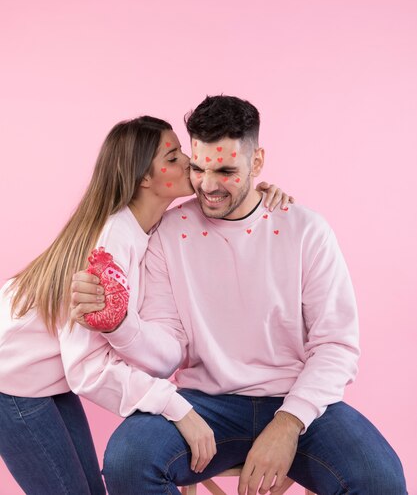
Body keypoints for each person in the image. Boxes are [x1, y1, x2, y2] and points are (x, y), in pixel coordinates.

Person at [71, 95, 407, 495]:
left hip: (296, 400)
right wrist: (122, 324)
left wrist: (288, 423)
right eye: (197, 167)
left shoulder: (306, 230)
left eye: (227, 170)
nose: (207, 186)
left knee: (381, 480)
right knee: (128, 460)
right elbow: (168, 349)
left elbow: (336, 345)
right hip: (205, 404)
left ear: (257, 163)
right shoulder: (166, 234)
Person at [0, 114, 288, 495]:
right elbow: (86, 369)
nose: (188, 162)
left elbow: (227, 199)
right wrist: (177, 407)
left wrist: (257, 194)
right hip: (12, 381)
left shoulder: (145, 228)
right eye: (172, 158)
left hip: (44, 380)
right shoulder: (110, 244)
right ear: (143, 179)